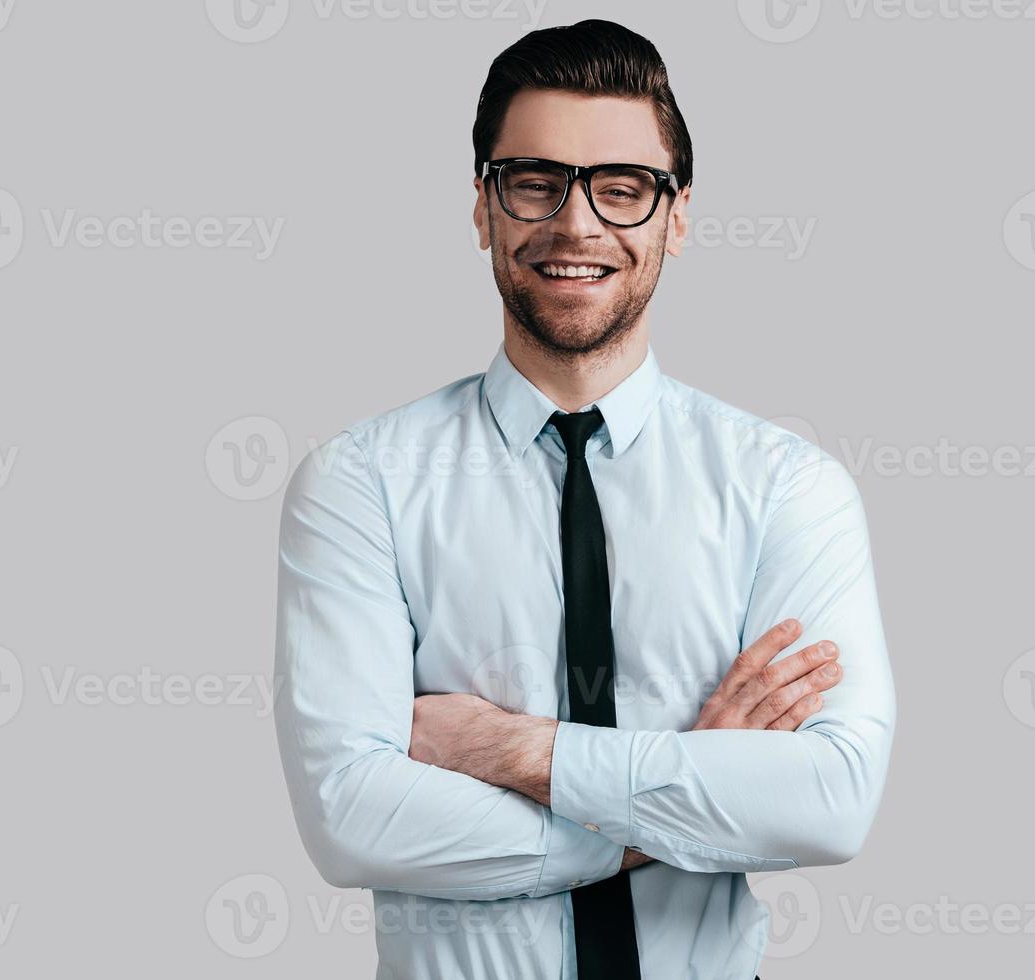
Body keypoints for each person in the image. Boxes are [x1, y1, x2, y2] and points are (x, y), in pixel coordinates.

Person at [273, 19, 896, 980]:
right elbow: (352, 820)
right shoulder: (361, 484)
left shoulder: (786, 487)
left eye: (622, 186)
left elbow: (829, 803)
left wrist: (508, 749)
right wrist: (686, 792)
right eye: (534, 181)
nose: (576, 224)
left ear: (675, 217)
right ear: (483, 207)